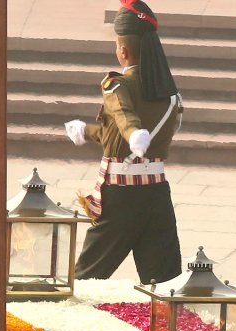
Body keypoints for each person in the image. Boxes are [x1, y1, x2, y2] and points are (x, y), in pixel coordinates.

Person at [64, 0, 183, 284]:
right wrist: (86, 131)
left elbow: (122, 114)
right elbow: (116, 131)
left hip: (120, 195)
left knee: (86, 279)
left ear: (123, 50)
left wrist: (132, 134)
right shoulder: (171, 96)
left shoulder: (117, 84)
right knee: (164, 283)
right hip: (156, 193)